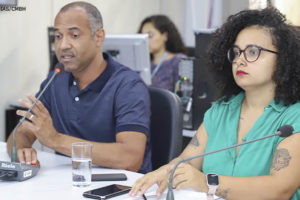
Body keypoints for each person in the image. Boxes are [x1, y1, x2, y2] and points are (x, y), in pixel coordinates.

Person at [130, 7, 300, 199]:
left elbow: (280, 189)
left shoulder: (295, 117)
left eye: (253, 51)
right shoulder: (221, 109)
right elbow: (188, 161)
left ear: (283, 59)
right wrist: (165, 171)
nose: (239, 61)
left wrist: (206, 183)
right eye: (236, 52)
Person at [6, 1, 152, 174]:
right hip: (70, 184)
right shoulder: (56, 80)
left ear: (98, 37)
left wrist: (55, 140)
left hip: (121, 188)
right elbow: (19, 134)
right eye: (58, 36)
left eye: (74, 35)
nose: (62, 45)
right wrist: (22, 150)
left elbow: (130, 159)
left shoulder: (128, 86)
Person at [138, 15, 187, 92]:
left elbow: (184, 96)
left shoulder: (179, 61)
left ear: (165, 36)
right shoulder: (144, 63)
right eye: (143, 37)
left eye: (150, 36)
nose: (146, 41)